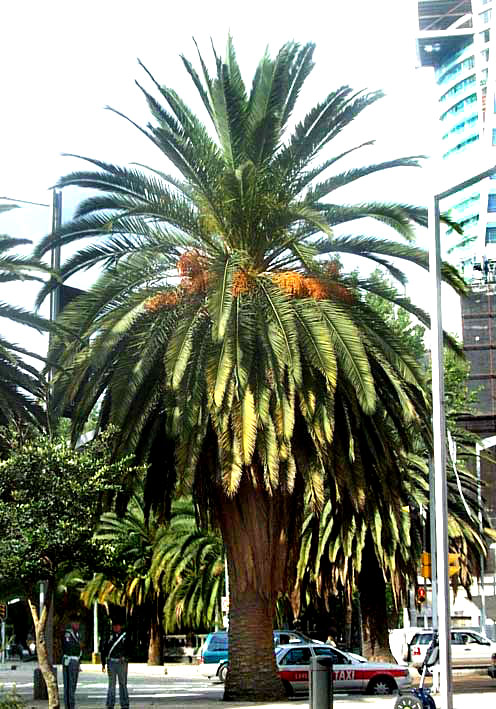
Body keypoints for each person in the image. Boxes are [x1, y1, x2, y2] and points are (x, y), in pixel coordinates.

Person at [100, 619, 131, 709]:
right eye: (114, 626)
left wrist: (125, 657)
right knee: (111, 685)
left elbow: (129, 648)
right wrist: (103, 664)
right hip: (111, 662)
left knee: (123, 684)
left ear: (120, 626)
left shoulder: (125, 636)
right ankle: (110, 704)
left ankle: (125, 704)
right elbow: (104, 649)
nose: (116, 627)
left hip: (122, 662)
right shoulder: (109, 636)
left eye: (118, 625)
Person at [61, 616, 82, 709]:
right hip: (69, 660)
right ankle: (69, 706)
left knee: (73, 685)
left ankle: (71, 704)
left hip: (75, 660)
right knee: (69, 685)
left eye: (78, 623)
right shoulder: (68, 634)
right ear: (72, 623)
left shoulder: (77, 634)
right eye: (76, 623)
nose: (77, 625)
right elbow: (69, 647)